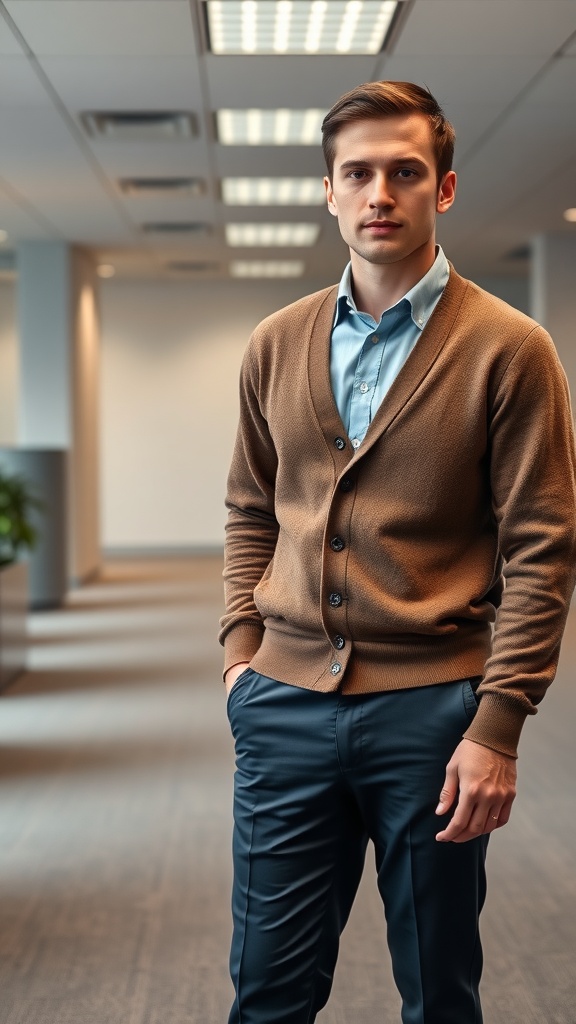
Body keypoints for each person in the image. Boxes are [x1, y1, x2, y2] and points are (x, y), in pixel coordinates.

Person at [218, 81, 576, 1024]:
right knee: (266, 989)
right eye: (359, 173)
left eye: (405, 173)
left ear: (443, 190)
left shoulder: (511, 348)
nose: (382, 192)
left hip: (434, 717)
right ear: (329, 192)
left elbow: (542, 549)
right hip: (284, 707)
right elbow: (251, 508)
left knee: (439, 988)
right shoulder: (275, 343)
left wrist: (497, 725)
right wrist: (238, 655)